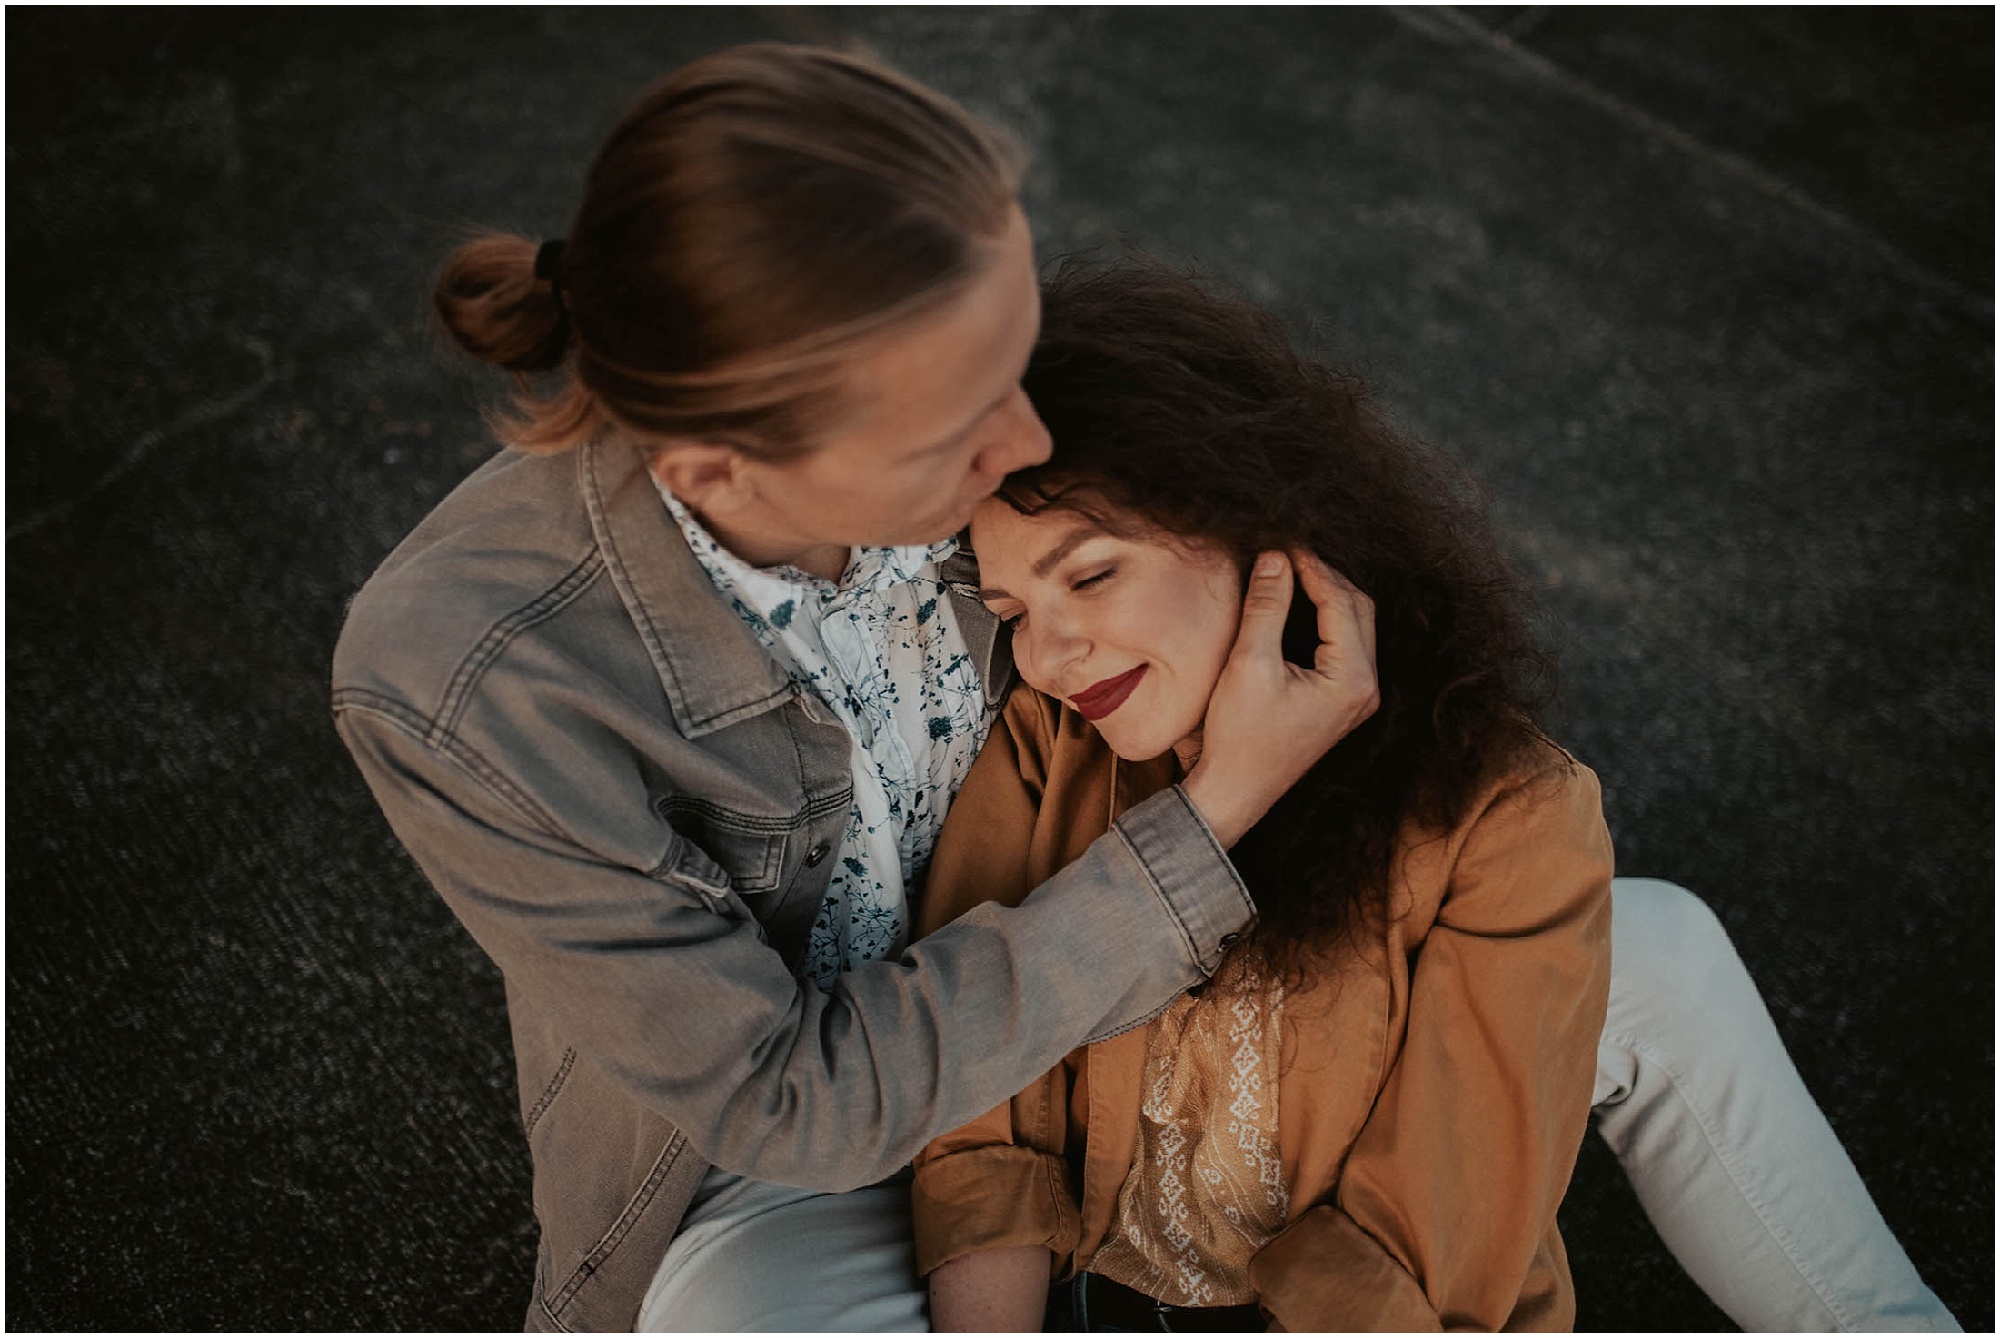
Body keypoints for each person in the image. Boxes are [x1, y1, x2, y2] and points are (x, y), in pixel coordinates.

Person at [332, 45, 1378, 1332]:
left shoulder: (937, 377)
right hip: (802, 1162)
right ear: (719, 474)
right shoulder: (464, 685)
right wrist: (1213, 818)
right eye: (959, 431)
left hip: (1120, 1024)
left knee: (1645, 947)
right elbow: (788, 1099)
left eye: (1018, 354)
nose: (1034, 441)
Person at [910, 259, 1960, 1332]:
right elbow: (983, 1125)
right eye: (1009, 608)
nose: (1046, 654)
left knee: (1661, 950)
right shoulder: (1052, 744)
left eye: (1089, 576)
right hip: (1081, 1304)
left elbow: (1408, 1263)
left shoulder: (1508, 816)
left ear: (1258, 530)